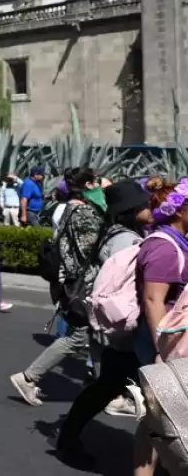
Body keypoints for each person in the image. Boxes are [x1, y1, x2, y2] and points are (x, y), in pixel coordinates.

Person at [54, 180, 152, 466]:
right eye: (144, 205)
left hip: (119, 330)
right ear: (132, 211)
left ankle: (68, 438)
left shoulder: (119, 234)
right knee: (110, 387)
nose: (150, 208)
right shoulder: (126, 241)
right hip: (125, 329)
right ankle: (69, 440)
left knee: (106, 386)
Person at [9, 167, 104, 407]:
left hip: (72, 280)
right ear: (89, 186)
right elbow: (89, 250)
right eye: (97, 184)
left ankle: (105, 388)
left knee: (96, 335)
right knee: (77, 336)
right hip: (83, 283)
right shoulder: (83, 213)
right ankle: (29, 377)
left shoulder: (67, 209)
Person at [134, 177, 188, 476]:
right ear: (179, 210)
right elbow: (153, 301)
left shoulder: (180, 242)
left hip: (175, 338)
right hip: (165, 341)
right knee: (156, 417)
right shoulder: (164, 247)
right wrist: (161, 351)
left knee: (163, 414)